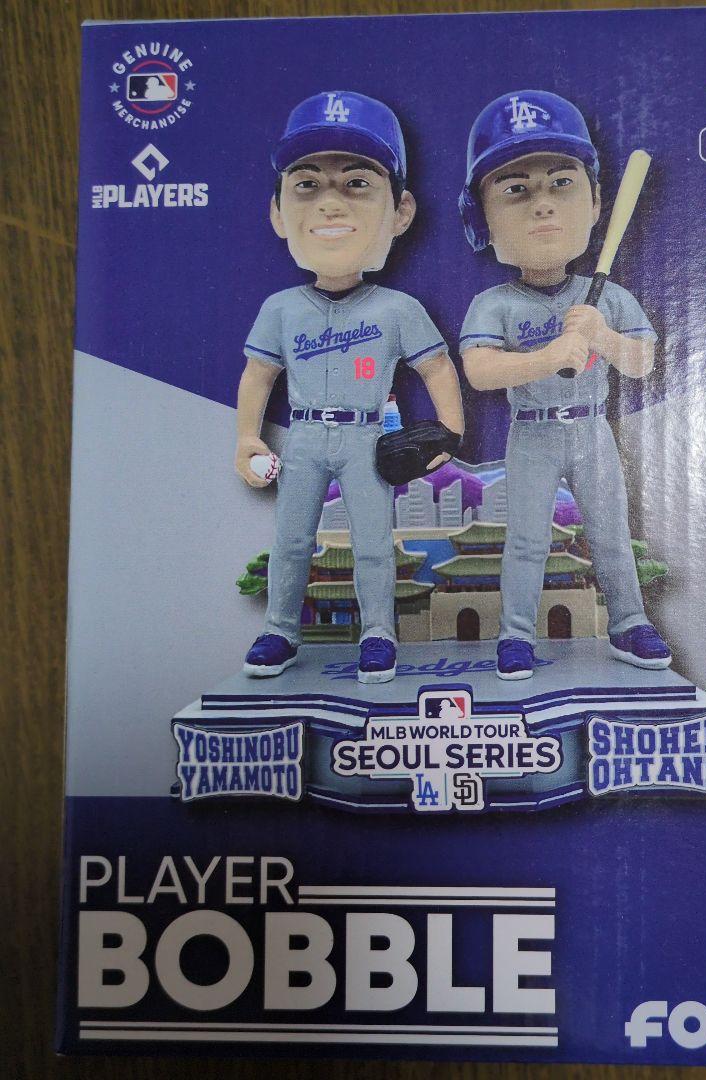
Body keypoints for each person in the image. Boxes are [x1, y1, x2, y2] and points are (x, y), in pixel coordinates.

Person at [237, 91, 463, 683]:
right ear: (278, 213)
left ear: (401, 211)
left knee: (373, 543)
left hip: (367, 438)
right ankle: (279, 630)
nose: (331, 203)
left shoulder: (397, 307)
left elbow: (437, 367)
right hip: (305, 435)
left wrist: (450, 432)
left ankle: (378, 633)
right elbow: (258, 374)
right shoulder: (281, 307)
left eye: (357, 183)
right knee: (292, 540)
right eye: (307, 184)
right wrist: (246, 439)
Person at [458, 91, 671, 681]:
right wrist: (549, 357)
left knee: (610, 532)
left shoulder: (607, 299)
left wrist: (602, 336)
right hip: (531, 435)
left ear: (596, 202)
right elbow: (480, 370)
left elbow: (642, 362)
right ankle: (515, 634)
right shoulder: (495, 302)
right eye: (516, 190)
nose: (543, 206)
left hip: (591, 428)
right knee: (526, 540)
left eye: (561, 184)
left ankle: (629, 621)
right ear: (482, 218)